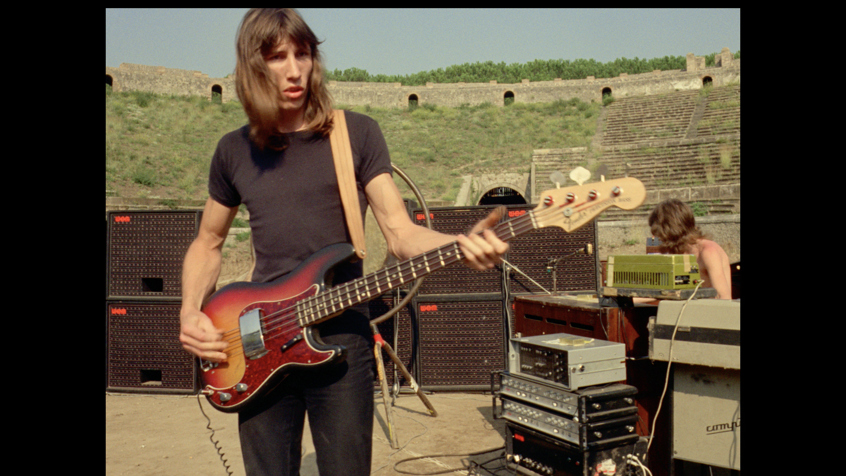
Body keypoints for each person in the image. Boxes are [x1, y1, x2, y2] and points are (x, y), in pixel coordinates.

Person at [178, 8, 509, 476]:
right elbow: (207, 243)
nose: (294, 70)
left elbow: (399, 233)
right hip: (258, 343)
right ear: (253, 67)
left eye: (304, 53)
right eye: (277, 57)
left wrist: (458, 244)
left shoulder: (355, 133)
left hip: (341, 340)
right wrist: (191, 309)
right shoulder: (233, 150)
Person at [648, 199, 732, 299]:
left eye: (660, 234)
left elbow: (723, 298)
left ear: (671, 231)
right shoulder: (680, 252)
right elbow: (665, 292)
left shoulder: (709, 252)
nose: (657, 238)